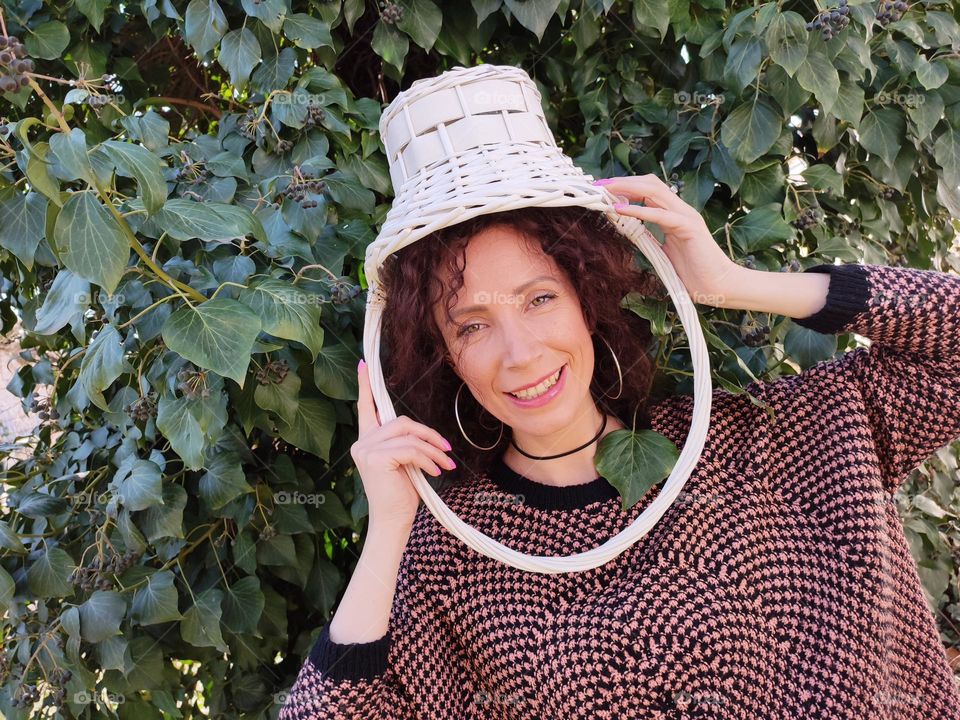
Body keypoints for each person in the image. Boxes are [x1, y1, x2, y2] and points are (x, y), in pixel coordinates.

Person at [278, 172, 960, 719]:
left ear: (588, 300)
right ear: (445, 357)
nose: (519, 353)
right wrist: (390, 528)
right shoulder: (447, 556)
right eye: (472, 326)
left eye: (539, 300)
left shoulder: (780, 443)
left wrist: (732, 284)